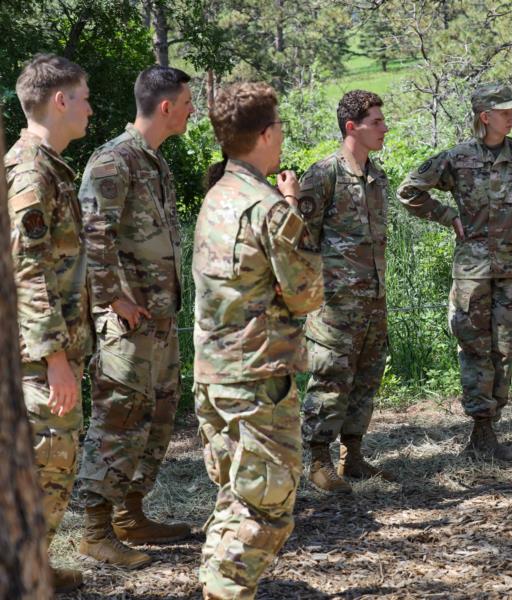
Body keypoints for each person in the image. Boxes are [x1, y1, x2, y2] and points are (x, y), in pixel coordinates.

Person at [397, 83, 512, 460]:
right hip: (472, 269)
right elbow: (409, 191)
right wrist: (447, 216)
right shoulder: (457, 157)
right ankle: (480, 431)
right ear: (486, 117)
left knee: (505, 349)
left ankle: (491, 427)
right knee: (473, 345)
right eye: (505, 110)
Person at [193, 82, 323, 599]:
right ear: (267, 134)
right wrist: (293, 209)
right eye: (280, 127)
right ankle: (225, 591)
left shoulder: (216, 197)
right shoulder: (268, 208)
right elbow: (306, 294)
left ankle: (216, 585)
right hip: (259, 380)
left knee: (234, 496)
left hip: (214, 377)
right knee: (266, 508)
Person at [77, 65, 194, 568]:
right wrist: (113, 299)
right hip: (127, 324)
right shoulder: (113, 162)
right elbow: (91, 235)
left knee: (157, 418)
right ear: (165, 107)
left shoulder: (155, 162)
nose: (194, 111)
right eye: (188, 103)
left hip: (160, 320)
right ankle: (94, 531)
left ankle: (130, 514)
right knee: (118, 420)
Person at [5, 53, 92, 593]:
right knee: (45, 467)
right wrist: (54, 359)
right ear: (60, 101)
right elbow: (26, 271)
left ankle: (32, 563)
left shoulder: (48, 165)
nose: (89, 109)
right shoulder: (31, 172)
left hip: (51, 350)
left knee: (53, 466)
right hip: (37, 359)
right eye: (83, 97)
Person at [297, 90, 395, 494]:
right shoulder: (322, 176)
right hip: (334, 307)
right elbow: (300, 240)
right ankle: (318, 462)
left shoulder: (377, 176)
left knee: (366, 380)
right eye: (376, 122)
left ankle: (352, 456)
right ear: (351, 127)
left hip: (372, 300)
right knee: (329, 380)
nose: (384, 128)